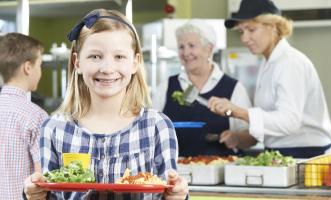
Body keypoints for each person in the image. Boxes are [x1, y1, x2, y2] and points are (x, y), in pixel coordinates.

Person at [23, 9, 188, 199]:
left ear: (135, 63)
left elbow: (169, 189)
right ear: (77, 63)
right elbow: (48, 192)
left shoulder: (157, 126)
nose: (107, 68)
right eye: (95, 56)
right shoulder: (55, 129)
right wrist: (34, 195)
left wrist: (177, 195)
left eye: (119, 57)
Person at [208, 0, 331, 158]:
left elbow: (289, 121)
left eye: (251, 29)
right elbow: (270, 123)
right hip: (284, 154)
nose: (244, 38)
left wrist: (239, 112)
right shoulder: (269, 63)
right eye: (242, 31)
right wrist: (238, 137)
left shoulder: (289, 62)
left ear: (273, 26)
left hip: (307, 155)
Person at [153, 20, 252, 157]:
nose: (186, 52)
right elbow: (151, 130)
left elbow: (251, 137)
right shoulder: (166, 86)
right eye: (181, 47)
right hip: (175, 172)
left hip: (220, 171)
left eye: (192, 46)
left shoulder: (234, 88)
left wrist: (237, 138)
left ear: (209, 49)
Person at [0, 33, 48, 199]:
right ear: (28, 67)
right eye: (40, 65)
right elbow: (42, 180)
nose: (40, 72)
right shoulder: (36, 117)